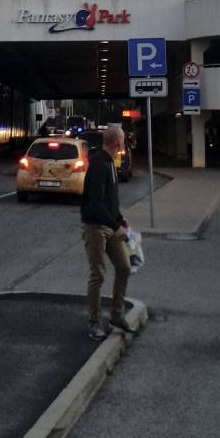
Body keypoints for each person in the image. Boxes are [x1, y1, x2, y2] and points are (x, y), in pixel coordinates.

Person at [80, 125, 134, 340]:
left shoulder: (110, 163)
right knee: (98, 274)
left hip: (109, 225)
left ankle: (116, 315)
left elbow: (110, 201)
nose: (124, 145)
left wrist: (120, 220)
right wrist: (115, 225)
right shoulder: (99, 166)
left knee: (124, 267)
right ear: (118, 144)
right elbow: (95, 204)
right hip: (95, 227)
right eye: (123, 141)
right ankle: (94, 323)